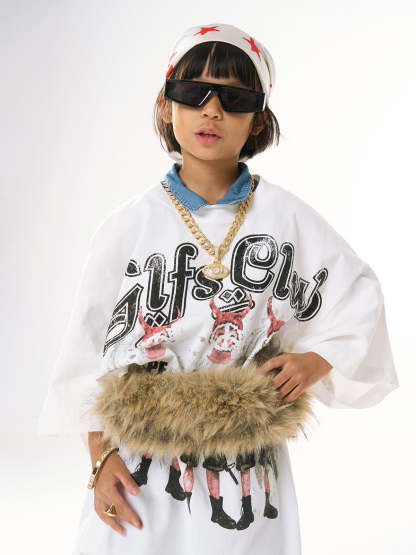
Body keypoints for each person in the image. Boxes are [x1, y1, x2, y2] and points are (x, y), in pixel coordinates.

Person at [37, 22, 399, 555]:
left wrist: (316, 360)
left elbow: (358, 294)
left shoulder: (286, 217)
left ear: (258, 119)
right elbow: (89, 351)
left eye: (234, 98)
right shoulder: (128, 227)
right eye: (194, 92)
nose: (212, 111)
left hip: (246, 468)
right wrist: (99, 458)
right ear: (166, 105)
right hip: (143, 463)